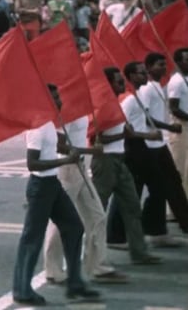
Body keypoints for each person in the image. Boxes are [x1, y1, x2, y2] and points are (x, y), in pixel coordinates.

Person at [12, 84, 100, 306]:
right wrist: (65, 160)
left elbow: (61, 146)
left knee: (74, 227)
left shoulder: (50, 124)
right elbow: (32, 163)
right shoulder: (37, 127)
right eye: (54, 98)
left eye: (58, 97)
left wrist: (82, 151)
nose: (60, 102)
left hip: (52, 184)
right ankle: (22, 290)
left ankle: (75, 283)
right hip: (40, 186)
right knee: (32, 238)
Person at [44, 115, 128, 284]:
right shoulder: (66, 112)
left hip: (80, 167)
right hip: (68, 169)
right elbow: (58, 145)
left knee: (97, 216)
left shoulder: (82, 108)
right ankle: (52, 269)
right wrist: (90, 151)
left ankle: (98, 266)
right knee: (61, 220)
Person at [90, 66, 162, 264]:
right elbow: (98, 138)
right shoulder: (104, 106)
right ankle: (94, 257)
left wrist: (144, 134)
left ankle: (139, 253)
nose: (123, 84)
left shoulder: (117, 103)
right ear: (109, 84)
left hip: (120, 159)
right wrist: (124, 134)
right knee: (98, 210)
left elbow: (128, 132)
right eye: (119, 81)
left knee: (132, 206)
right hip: (105, 162)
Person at [168, 48, 188, 195]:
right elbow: (174, 108)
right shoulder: (176, 81)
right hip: (182, 126)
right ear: (178, 62)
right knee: (181, 165)